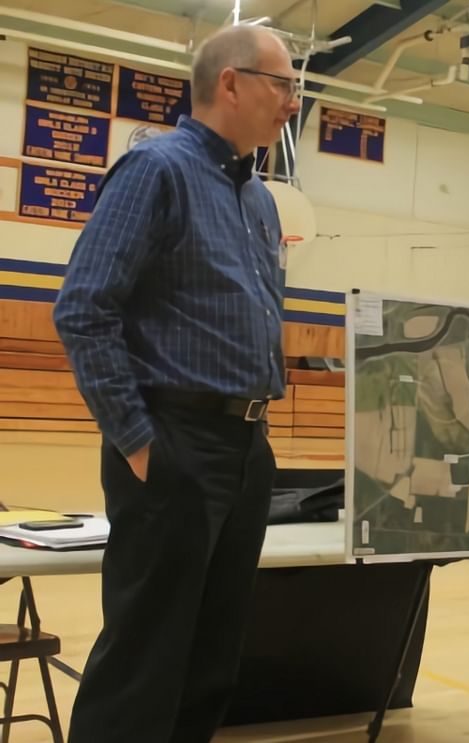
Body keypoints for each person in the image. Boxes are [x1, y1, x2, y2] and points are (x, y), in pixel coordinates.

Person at [53, 25, 300, 743]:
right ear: (231, 82)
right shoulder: (156, 170)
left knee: (212, 659)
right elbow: (83, 307)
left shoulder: (259, 201)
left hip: (247, 448)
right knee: (144, 659)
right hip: (175, 443)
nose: (293, 103)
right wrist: (137, 440)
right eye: (283, 84)